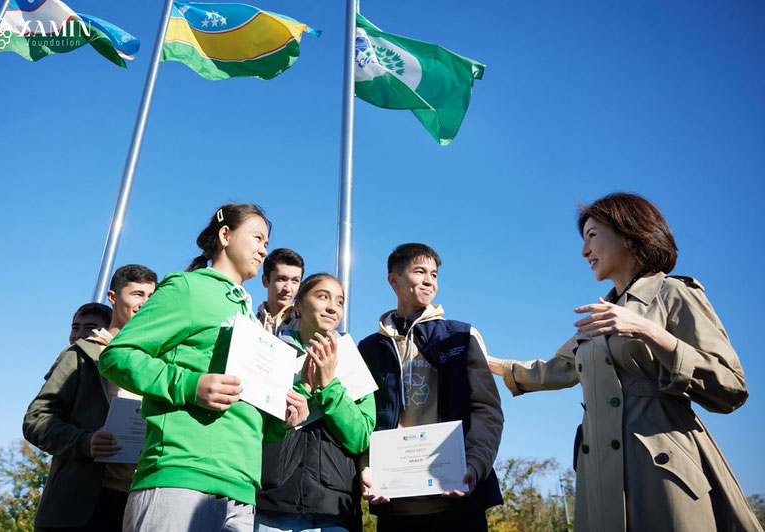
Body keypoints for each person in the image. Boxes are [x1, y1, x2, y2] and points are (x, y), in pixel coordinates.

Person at [489, 193, 763, 532]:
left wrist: (649, 331)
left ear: (629, 234)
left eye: (592, 236)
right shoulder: (602, 315)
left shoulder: (675, 294)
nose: (584, 251)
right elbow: (555, 369)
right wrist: (487, 362)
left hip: (663, 470)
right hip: (598, 474)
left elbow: (731, 386)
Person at [98, 203, 309, 532]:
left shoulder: (252, 321)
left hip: (241, 489)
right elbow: (117, 355)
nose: (263, 249)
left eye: (266, 242)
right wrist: (189, 385)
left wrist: (283, 419)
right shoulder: (187, 288)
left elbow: (247, 414)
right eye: (257, 238)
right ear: (225, 235)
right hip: (180, 475)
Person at [357, 243, 503, 532]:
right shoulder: (369, 348)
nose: (428, 280)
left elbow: (487, 411)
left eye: (434, 275)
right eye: (419, 271)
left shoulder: (461, 336)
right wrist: (367, 466)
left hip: (457, 501)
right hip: (395, 505)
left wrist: (474, 465)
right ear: (393, 280)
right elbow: (364, 418)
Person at [23, 264, 158, 532]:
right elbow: (36, 420)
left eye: (151, 297)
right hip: (78, 508)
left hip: (137, 506)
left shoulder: (157, 364)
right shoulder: (81, 353)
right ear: (113, 297)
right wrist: (85, 442)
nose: (145, 303)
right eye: (137, 294)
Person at [256, 274, 376, 532]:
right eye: (323, 296)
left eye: (340, 301)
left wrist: (330, 386)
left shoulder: (354, 363)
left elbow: (362, 437)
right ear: (297, 304)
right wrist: (304, 387)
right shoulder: (269, 352)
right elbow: (256, 427)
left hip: (333, 510)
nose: (333, 307)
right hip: (269, 507)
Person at [257, 248, 304, 335]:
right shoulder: (250, 321)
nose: (288, 288)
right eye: (282, 279)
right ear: (265, 281)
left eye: (295, 281)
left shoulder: (305, 324)